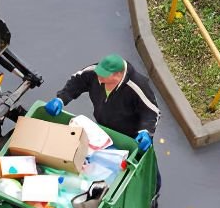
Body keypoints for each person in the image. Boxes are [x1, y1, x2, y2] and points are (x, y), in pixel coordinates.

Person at [45, 53, 162, 195]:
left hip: (133, 136)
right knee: (105, 162)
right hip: (105, 128)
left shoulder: (137, 86)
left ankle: (153, 192)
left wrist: (146, 132)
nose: (99, 78)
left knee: (146, 166)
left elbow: (152, 112)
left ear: (118, 75)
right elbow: (77, 82)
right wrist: (61, 99)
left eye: (104, 75)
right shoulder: (95, 73)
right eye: (99, 73)